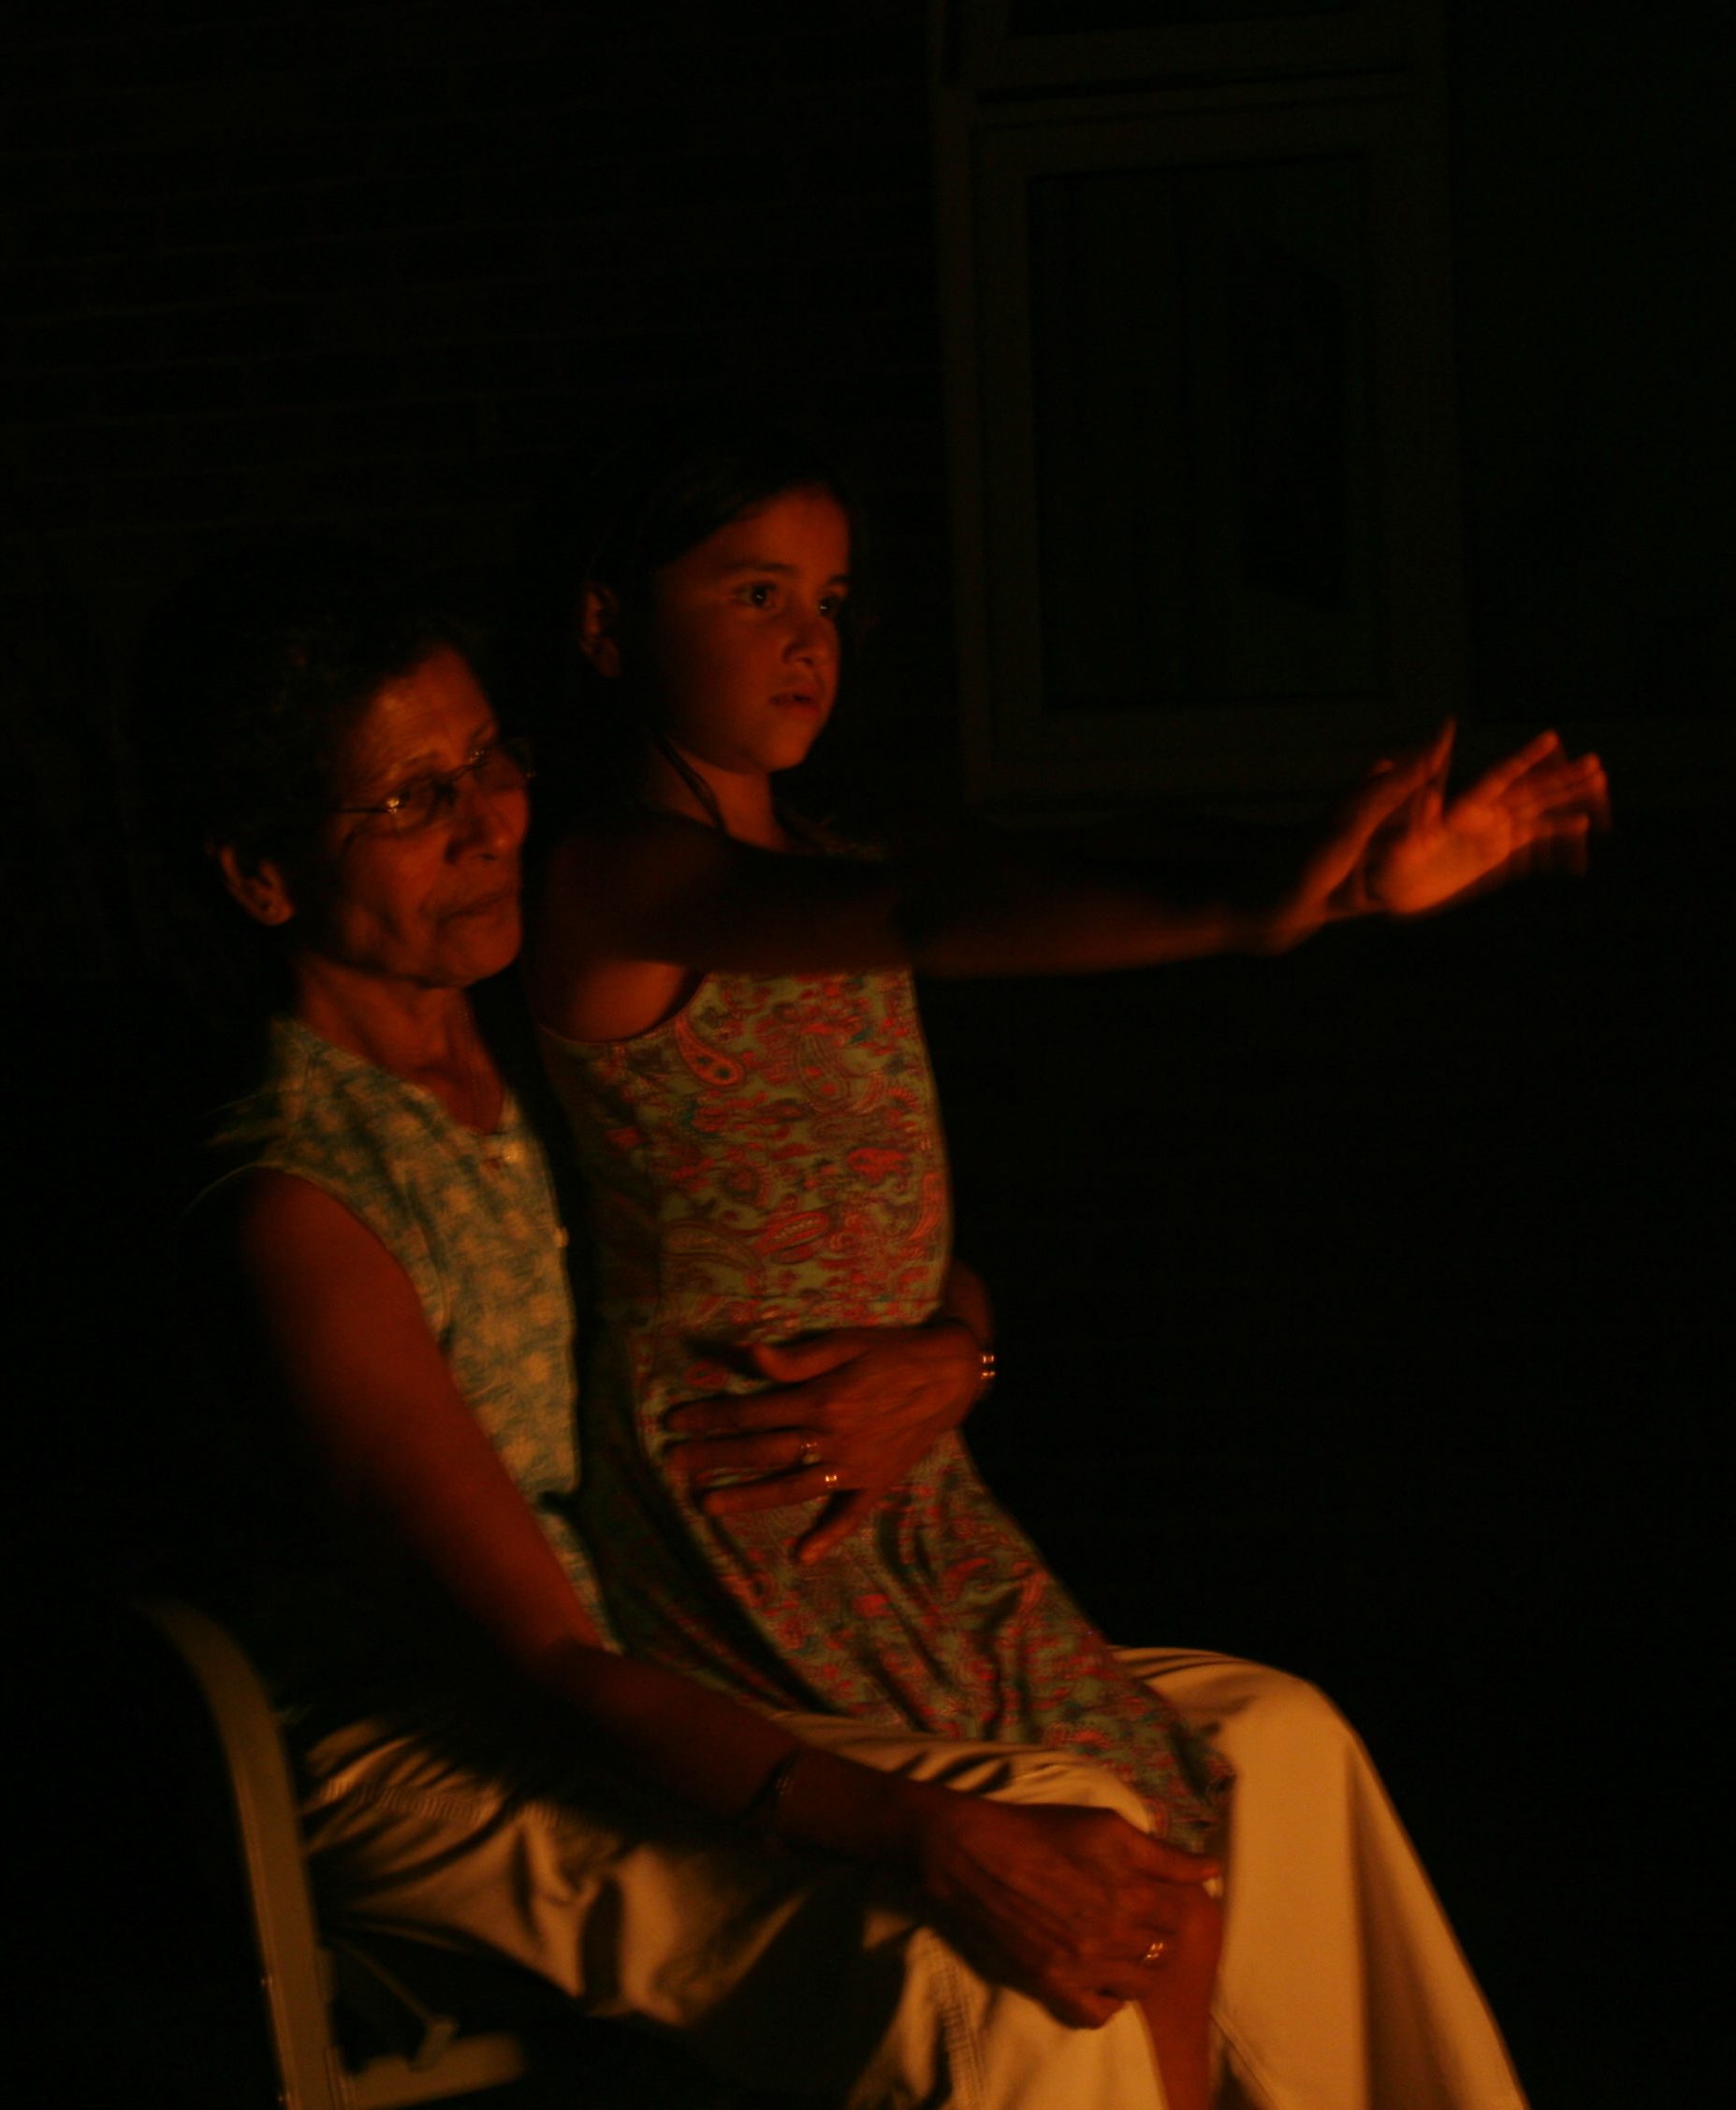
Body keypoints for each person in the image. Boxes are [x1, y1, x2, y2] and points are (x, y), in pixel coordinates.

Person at [148, 543, 1586, 2109]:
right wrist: (928, 1830)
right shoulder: (304, 1202)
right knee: (1029, 1930)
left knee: (1276, 1742)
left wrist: (952, 1347)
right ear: (264, 875)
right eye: (411, 800)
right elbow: (545, 1664)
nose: (490, 820)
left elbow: (825, 1235)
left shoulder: (529, 1024)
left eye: (490, 760)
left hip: (662, 1633)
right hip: (450, 1731)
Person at [514, 424, 1610, 2105]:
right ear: (608, 625)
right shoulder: (617, 877)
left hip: (910, 1467)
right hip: (759, 1476)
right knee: (1119, 1866)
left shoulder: (827, 861)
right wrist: (1266, 907)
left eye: (830, 600)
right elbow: (933, 914)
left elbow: (924, 1183)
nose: (808, 639)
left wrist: (957, 1343)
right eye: (753, 593)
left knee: (1184, 1817)